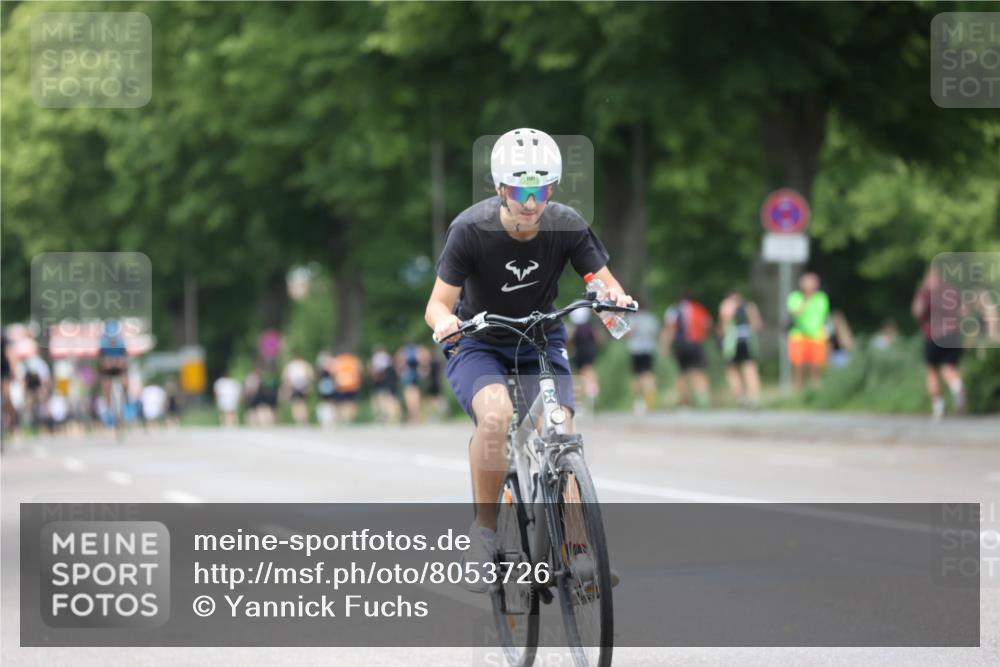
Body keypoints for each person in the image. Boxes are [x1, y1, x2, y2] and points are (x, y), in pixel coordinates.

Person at [424, 128, 634, 591]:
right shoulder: (469, 230)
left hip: (540, 336)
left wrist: (613, 301)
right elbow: (437, 304)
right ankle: (483, 536)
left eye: (540, 190)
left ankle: (577, 551)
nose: (531, 202)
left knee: (562, 431)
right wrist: (444, 323)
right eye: (520, 190)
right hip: (478, 340)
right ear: (501, 188)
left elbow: (601, 281)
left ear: (552, 189)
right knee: (496, 417)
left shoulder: (568, 225)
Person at [912, 265, 966, 419]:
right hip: (953, 334)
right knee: (950, 368)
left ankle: (938, 406)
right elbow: (964, 311)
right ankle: (957, 390)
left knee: (933, 370)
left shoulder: (925, 292)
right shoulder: (951, 290)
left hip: (933, 335)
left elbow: (917, 312)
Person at [662, 292, 713, 408]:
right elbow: (708, 323)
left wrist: (665, 347)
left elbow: (670, 329)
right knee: (700, 372)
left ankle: (684, 402)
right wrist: (703, 336)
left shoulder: (673, 310)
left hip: (681, 344)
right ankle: (703, 401)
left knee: (682, 373)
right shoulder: (698, 308)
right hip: (696, 343)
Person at [718, 291, 762, 408]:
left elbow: (723, 326)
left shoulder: (726, 305)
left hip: (732, 342)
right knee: (750, 368)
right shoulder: (750, 306)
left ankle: (740, 397)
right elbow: (757, 325)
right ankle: (754, 397)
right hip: (747, 340)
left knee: (731, 370)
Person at [787, 272, 829, 388]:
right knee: (799, 365)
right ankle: (797, 389)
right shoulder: (795, 297)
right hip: (799, 335)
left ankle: (815, 391)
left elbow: (823, 316)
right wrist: (807, 299)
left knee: (816, 366)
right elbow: (796, 313)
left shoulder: (822, 298)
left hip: (817, 336)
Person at [626, 309, 660, 415]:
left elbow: (628, 334)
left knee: (637, 377)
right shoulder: (650, 318)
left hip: (635, 349)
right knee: (648, 375)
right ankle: (650, 402)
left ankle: (640, 402)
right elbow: (656, 332)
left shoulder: (631, 318)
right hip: (648, 349)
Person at [568, 307, 600, 415]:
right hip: (589, 351)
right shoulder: (590, 327)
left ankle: (586, 397)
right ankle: (592, 390)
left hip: (579, 353)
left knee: (581, 376)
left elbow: (569, 340)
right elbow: (598, 339)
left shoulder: (574, 328)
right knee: (588, 371)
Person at [97, 320, 129, 427]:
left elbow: (125, 356)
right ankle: (109, 405)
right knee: (106, 384)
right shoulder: (103, 341)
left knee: (125, 381)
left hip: (119, 366)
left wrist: (121, 364)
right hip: (108, 367)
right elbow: (101, 358)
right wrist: (106, 365)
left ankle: (125, 395)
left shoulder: (121, 341)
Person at [369, 345, 401, 424]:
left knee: (382, 397)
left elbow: (375, 370)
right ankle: (394, 416)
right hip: (391, 378)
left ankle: (384, 415)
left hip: (382, 379)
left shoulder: (377, 357)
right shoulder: (388, 357)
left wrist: (375, 377)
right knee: (392, 397)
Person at [330, 350, 363, 424]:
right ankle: (350, 419)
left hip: (341, 385)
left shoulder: (338, 360)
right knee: (351, 402)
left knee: (342, 403)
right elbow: (359, 371)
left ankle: (343, 418)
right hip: (353, 385)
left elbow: (332, 372)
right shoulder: (353, 360)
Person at [396, 342, 425, 423]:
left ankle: (413, 416)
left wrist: (400, 371)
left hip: (408, 376)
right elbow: (422, 361)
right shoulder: (417, 350)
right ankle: (417, 416)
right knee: (416, 396)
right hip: (415, 376)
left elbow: (400, 363)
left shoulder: (404, 351)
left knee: (409, 397)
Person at [281, 352, 314, 426]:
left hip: (299, 386)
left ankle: (302, 419)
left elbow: (286, 377)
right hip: (297, 386)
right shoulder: (301, 364)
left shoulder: (292, 365)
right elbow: (310, 375)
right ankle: (300, 419)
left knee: (300, 403)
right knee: (299, 403)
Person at [315, 351, 338, 428]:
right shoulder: (331, 364)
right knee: (329, 402)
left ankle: (330, 420)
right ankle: (330, 420)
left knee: (327, 402)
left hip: (326, 384)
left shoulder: (327, 365)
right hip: (327, 384)